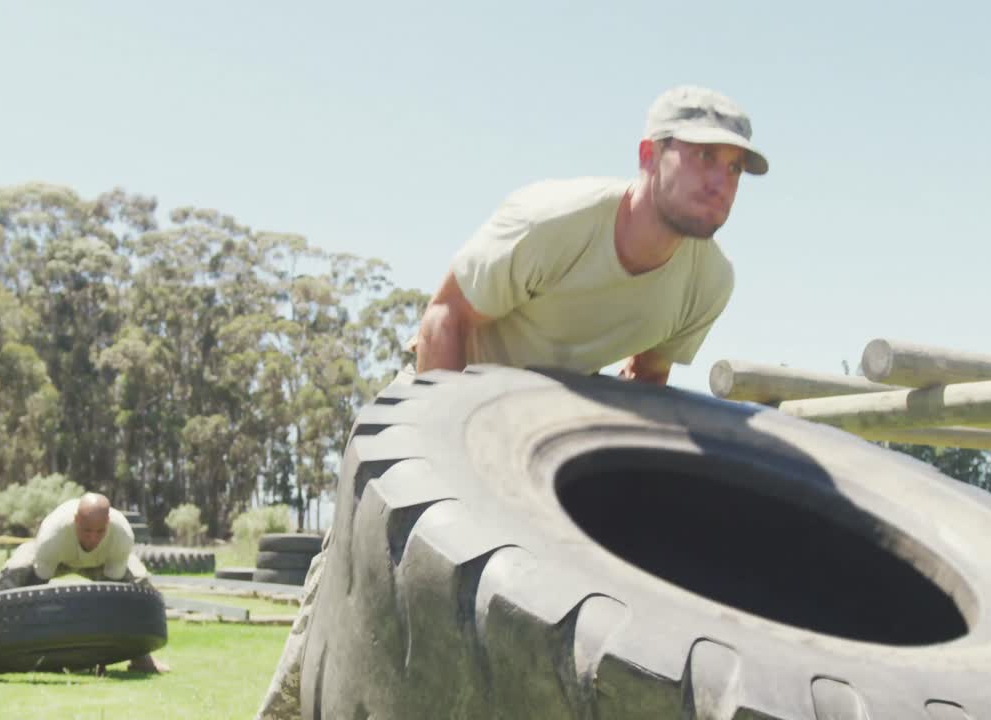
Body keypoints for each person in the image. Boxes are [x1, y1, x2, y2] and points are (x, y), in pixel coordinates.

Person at [255, 83, 768, 719]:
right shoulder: (555, 220)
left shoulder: (709, 281)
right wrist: (435, 483)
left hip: (537, 455)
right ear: (648, 154)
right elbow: (445, 316)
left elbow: (647, 379)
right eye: (700, 157)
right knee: (344, 628)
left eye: (734, 168)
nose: (720, 180)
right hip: (440, 423)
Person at [0, 492, 170, 674]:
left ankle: (141, 656)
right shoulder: (52, 533)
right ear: (76, 520)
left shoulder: (122, 534)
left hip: (101, 563)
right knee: (10, 575)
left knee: (141, 583)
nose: (93, 538)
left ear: (108, 522)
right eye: (86, 531)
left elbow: (112, 596)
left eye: (100, 531)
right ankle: (2, 650)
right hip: (58, 559)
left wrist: (102, 656)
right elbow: (36, 588)